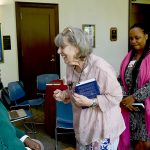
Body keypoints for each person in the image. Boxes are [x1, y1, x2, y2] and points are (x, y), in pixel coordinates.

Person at [53, 26, 125, 150]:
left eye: (62, 47)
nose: (59, 51)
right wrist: (64, 94)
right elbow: (75, 89)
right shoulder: (71, 65)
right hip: (83, 127)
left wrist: (92, 102)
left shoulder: (101, 68)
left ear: (76, 47)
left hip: (102, 131)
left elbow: (117, 96)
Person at [118, 23, 150, 150]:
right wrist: (123, 97)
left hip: (145, 108)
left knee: (145, 144)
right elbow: (120, 79)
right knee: (131, 141)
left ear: (146, 36)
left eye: (137, 38)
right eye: (131, 38)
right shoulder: (129, 57)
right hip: (129, 107)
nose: (133, 41)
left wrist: (135, 97)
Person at [0, 81, 44, 150]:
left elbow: (9, 126)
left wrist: (26, 139)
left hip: (16, 143)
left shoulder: (0, 105)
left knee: (39, 144)